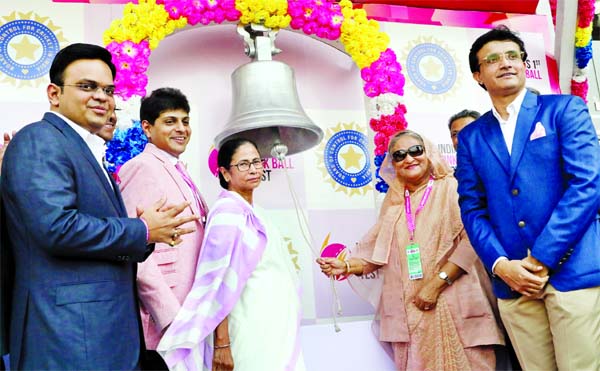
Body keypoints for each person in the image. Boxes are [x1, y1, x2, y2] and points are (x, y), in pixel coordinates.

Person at [0, 43, 199, 370]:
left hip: (101, 334)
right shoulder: (40, 140)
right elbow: (56, 228)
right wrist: (142, 229)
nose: (101, 97)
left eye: (107, 89)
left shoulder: (87, 151)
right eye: (87, 86)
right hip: (66, 335)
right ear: (54, 93)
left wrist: (147, 237)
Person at [456, 25, 600, 370]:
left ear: (523, 64)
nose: (505, 63)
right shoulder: (473, 137)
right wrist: (501, 265)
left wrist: (541, 259)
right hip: (513, 282)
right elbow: (472, 208)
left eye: (512, 56)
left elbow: (588, 184)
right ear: (478, 75)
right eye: (492, 59)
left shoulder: (563, 110)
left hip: (572, 271)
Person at [318, 130, 503, 370]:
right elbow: (378, 249)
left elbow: (473, 242)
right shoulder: (395, 200)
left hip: (455, 301)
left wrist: (437, 283)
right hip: (413, 309)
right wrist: (346, 266)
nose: (409, 159)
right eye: (399, 155)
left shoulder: (452, 188)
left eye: (416, 151)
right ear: (392, 164)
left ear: (429, 153)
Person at [157, 138, 305, 371]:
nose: (254, 169)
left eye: (256, 162)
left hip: (274, 326)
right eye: (244, 164)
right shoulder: (226, 214)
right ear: (225, 173)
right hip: (247, 330)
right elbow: (215, 286)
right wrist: (222, 344)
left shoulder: (258, 213)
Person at [118, 87, 208, 370]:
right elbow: (134, 248)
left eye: (185, 121)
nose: (181, 129)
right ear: (147, 127)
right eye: (170, 121)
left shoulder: (178, 168)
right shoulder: (142, 167)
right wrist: (169, 315)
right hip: (164, 322)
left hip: (191, 313)